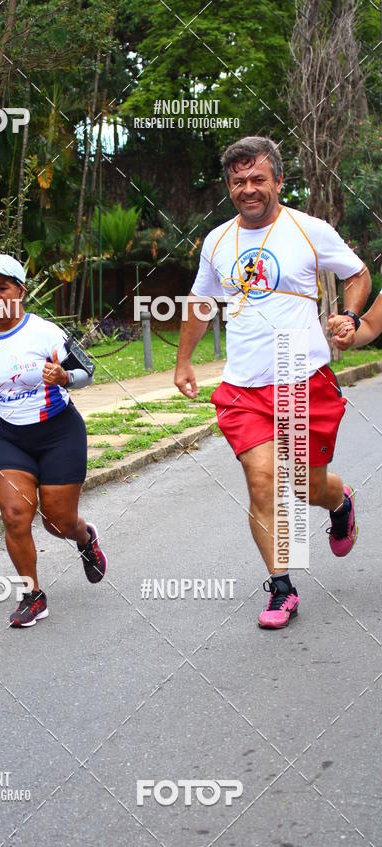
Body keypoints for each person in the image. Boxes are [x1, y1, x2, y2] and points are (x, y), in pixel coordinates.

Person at [175, 136, 371, 629]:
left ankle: (339, 500)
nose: (248, 189)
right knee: (262, 483)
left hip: (305, 378)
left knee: (306, 486)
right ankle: (281, 587)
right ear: (228, 186)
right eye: (238, 181)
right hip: (244, 388)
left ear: (278, 181)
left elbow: (359, 274)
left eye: (258, 179)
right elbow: (201, 304)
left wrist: (349, 315)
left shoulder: (309, 230)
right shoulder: (217, 242)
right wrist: (184, 362)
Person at [0, 253, 106, 628]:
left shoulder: (47, 332)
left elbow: (88, 371)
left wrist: (64, 378)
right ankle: (32, 596)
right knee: (14, 516)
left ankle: (84, 538)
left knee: (58, 523)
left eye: (2, 287)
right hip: (12, 439)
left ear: (20, 290)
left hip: (59, 434)